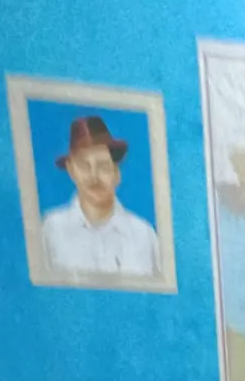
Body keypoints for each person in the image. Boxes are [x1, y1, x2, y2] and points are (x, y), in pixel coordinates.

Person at [40, 115, 161, 279]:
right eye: (84, 166)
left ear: (116, 174)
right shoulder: (50, 230)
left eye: (103, 166)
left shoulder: (144, 236)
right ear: (71, 171)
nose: (94, 176)